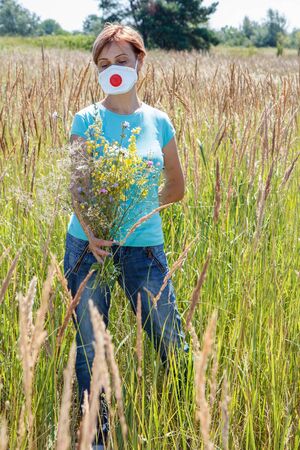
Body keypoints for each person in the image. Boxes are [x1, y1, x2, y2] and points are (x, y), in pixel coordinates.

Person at [63, 22, 190, 449]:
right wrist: (95, 228)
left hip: (144, 248)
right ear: (96, 71)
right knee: (89, 349)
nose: (113, 69)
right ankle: (96, 439)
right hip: (89, 247)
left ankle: (183, 423)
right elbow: (76, 184)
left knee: (170, 341)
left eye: (121, 60)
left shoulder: (159, 121)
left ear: (139, 62)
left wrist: (141, 213)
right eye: (103, 63)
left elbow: (177, 186)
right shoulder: (86, 119)